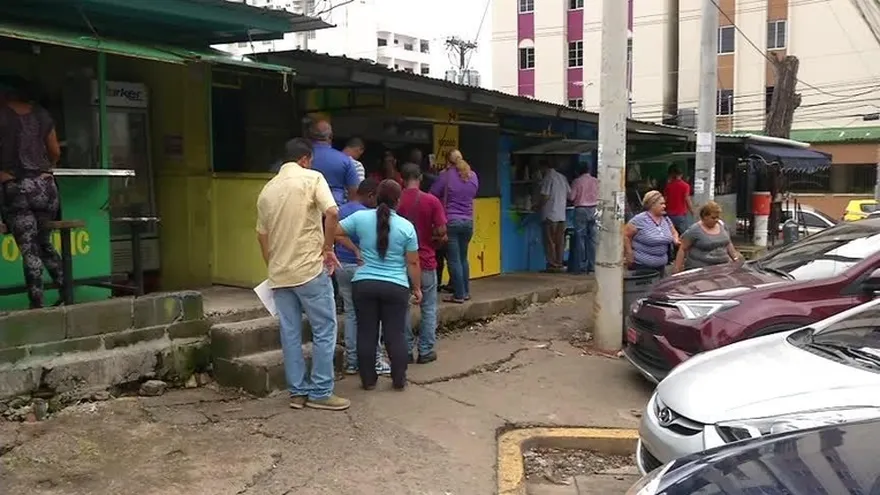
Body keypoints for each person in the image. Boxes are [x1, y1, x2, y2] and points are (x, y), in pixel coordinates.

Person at [255, 137, 349, 412]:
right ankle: (321, 391)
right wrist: (328, 248)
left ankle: (297, 393)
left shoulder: (267, 190)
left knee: (290, 333)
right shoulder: (312, 178)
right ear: (306, 158)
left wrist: (273, 263)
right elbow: (332, 212)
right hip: (309, 269)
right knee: (324, 329)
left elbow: (262, 234)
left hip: (279, 274)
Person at [337, 179, 422, 391]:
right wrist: (417, 288)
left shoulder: (360, 218)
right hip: (396, 286)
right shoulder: (406, 227)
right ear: (398, 201)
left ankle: (368, 380)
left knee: (366, 332)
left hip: (364, 283)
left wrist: (355, 250)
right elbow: (413, 262)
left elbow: (335, 231)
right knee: (395, 334)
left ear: (375, 196)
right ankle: (398, 379)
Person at [0, 78, 64, 309]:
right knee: (45, 244)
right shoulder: (42, 115)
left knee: (29, 248)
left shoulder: (1, 115)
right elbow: (55, 151)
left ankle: (37, 303)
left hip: (16, 188)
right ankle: (67, 293)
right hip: (46, 188)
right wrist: (46, 167)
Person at [333, 178, 392, 376]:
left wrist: (349, 248)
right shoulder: (368, 215)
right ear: (370, 195)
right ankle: (375, 360)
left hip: (341, 267)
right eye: (376, 198)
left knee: (351, 314)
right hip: (362, 269)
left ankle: (352, 362)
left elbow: (334, 233)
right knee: (372, 317)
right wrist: (357, 250)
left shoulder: (341, 209)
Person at [397, 162, 447, 364]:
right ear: (421, 178)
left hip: (400, 263)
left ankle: (406, 350)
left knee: (403, 308)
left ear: (401, 179)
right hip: (425, 260)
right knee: (428, 307)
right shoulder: (432, 201)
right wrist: (433, 240)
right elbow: (442, 231)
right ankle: (425, 351)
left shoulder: (396, 200)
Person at [430, 149, 478, 304]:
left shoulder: (446, 176)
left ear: (448, 162)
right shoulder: (473, 176)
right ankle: (466, 292)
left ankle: (458, 294)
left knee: (454, 260)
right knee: (463, 258)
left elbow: (432, 194)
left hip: (451, 221)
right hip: (468, 222)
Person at [673, 201, 741, 273]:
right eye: (713, 218)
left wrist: (735, 259)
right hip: (700, 269)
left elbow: (728, 243)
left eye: (718, 217)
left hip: (721, 268)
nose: (716, 220)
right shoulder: (695, 230)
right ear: (705, 217)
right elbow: (683, 248)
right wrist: (677, 268)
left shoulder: (722, 225)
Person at [624, 190, 680, 275]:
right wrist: (629, 253)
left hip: (661, 265)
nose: (664, 206)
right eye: (661, 204)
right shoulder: (639, 220)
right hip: (642, 266)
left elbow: (674, 232)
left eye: (664, 203)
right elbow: (626, 235)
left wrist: (675, 240)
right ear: (652, 205)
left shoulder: (666, 219)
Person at [309, 119, 359, 205]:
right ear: (331, 136)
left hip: (307, 210)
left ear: (309, 137)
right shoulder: (345, 160)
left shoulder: (302, 159)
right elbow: (354, 195)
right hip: (336, 210)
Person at [537, 160, 570, 272]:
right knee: (560, 241)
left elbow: (545, 196)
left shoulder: (548, 178)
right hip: (561, 214)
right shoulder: (562, 177)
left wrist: (537, 206)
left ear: (544, 167)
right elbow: (569, 195)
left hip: (550, 215)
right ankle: (559, 263)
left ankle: (552, 265)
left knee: (550, 241)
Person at [568, 167, 599, 274]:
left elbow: (571, 197)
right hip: (594, 209)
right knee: (593, 239)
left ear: (578, 171)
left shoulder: (577, 181)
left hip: (581, 209)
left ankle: (581, 266)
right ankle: (592, 266)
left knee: (580, 238)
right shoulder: (596, 181)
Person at [664, 165, 694, 235]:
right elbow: (687, 199)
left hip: (669, 214)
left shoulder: (668, 186)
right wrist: (692, 211)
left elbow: (665, 200)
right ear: (681, 174)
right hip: (680, 214)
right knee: (684, 235)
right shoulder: (685, 186)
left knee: (671, 234)